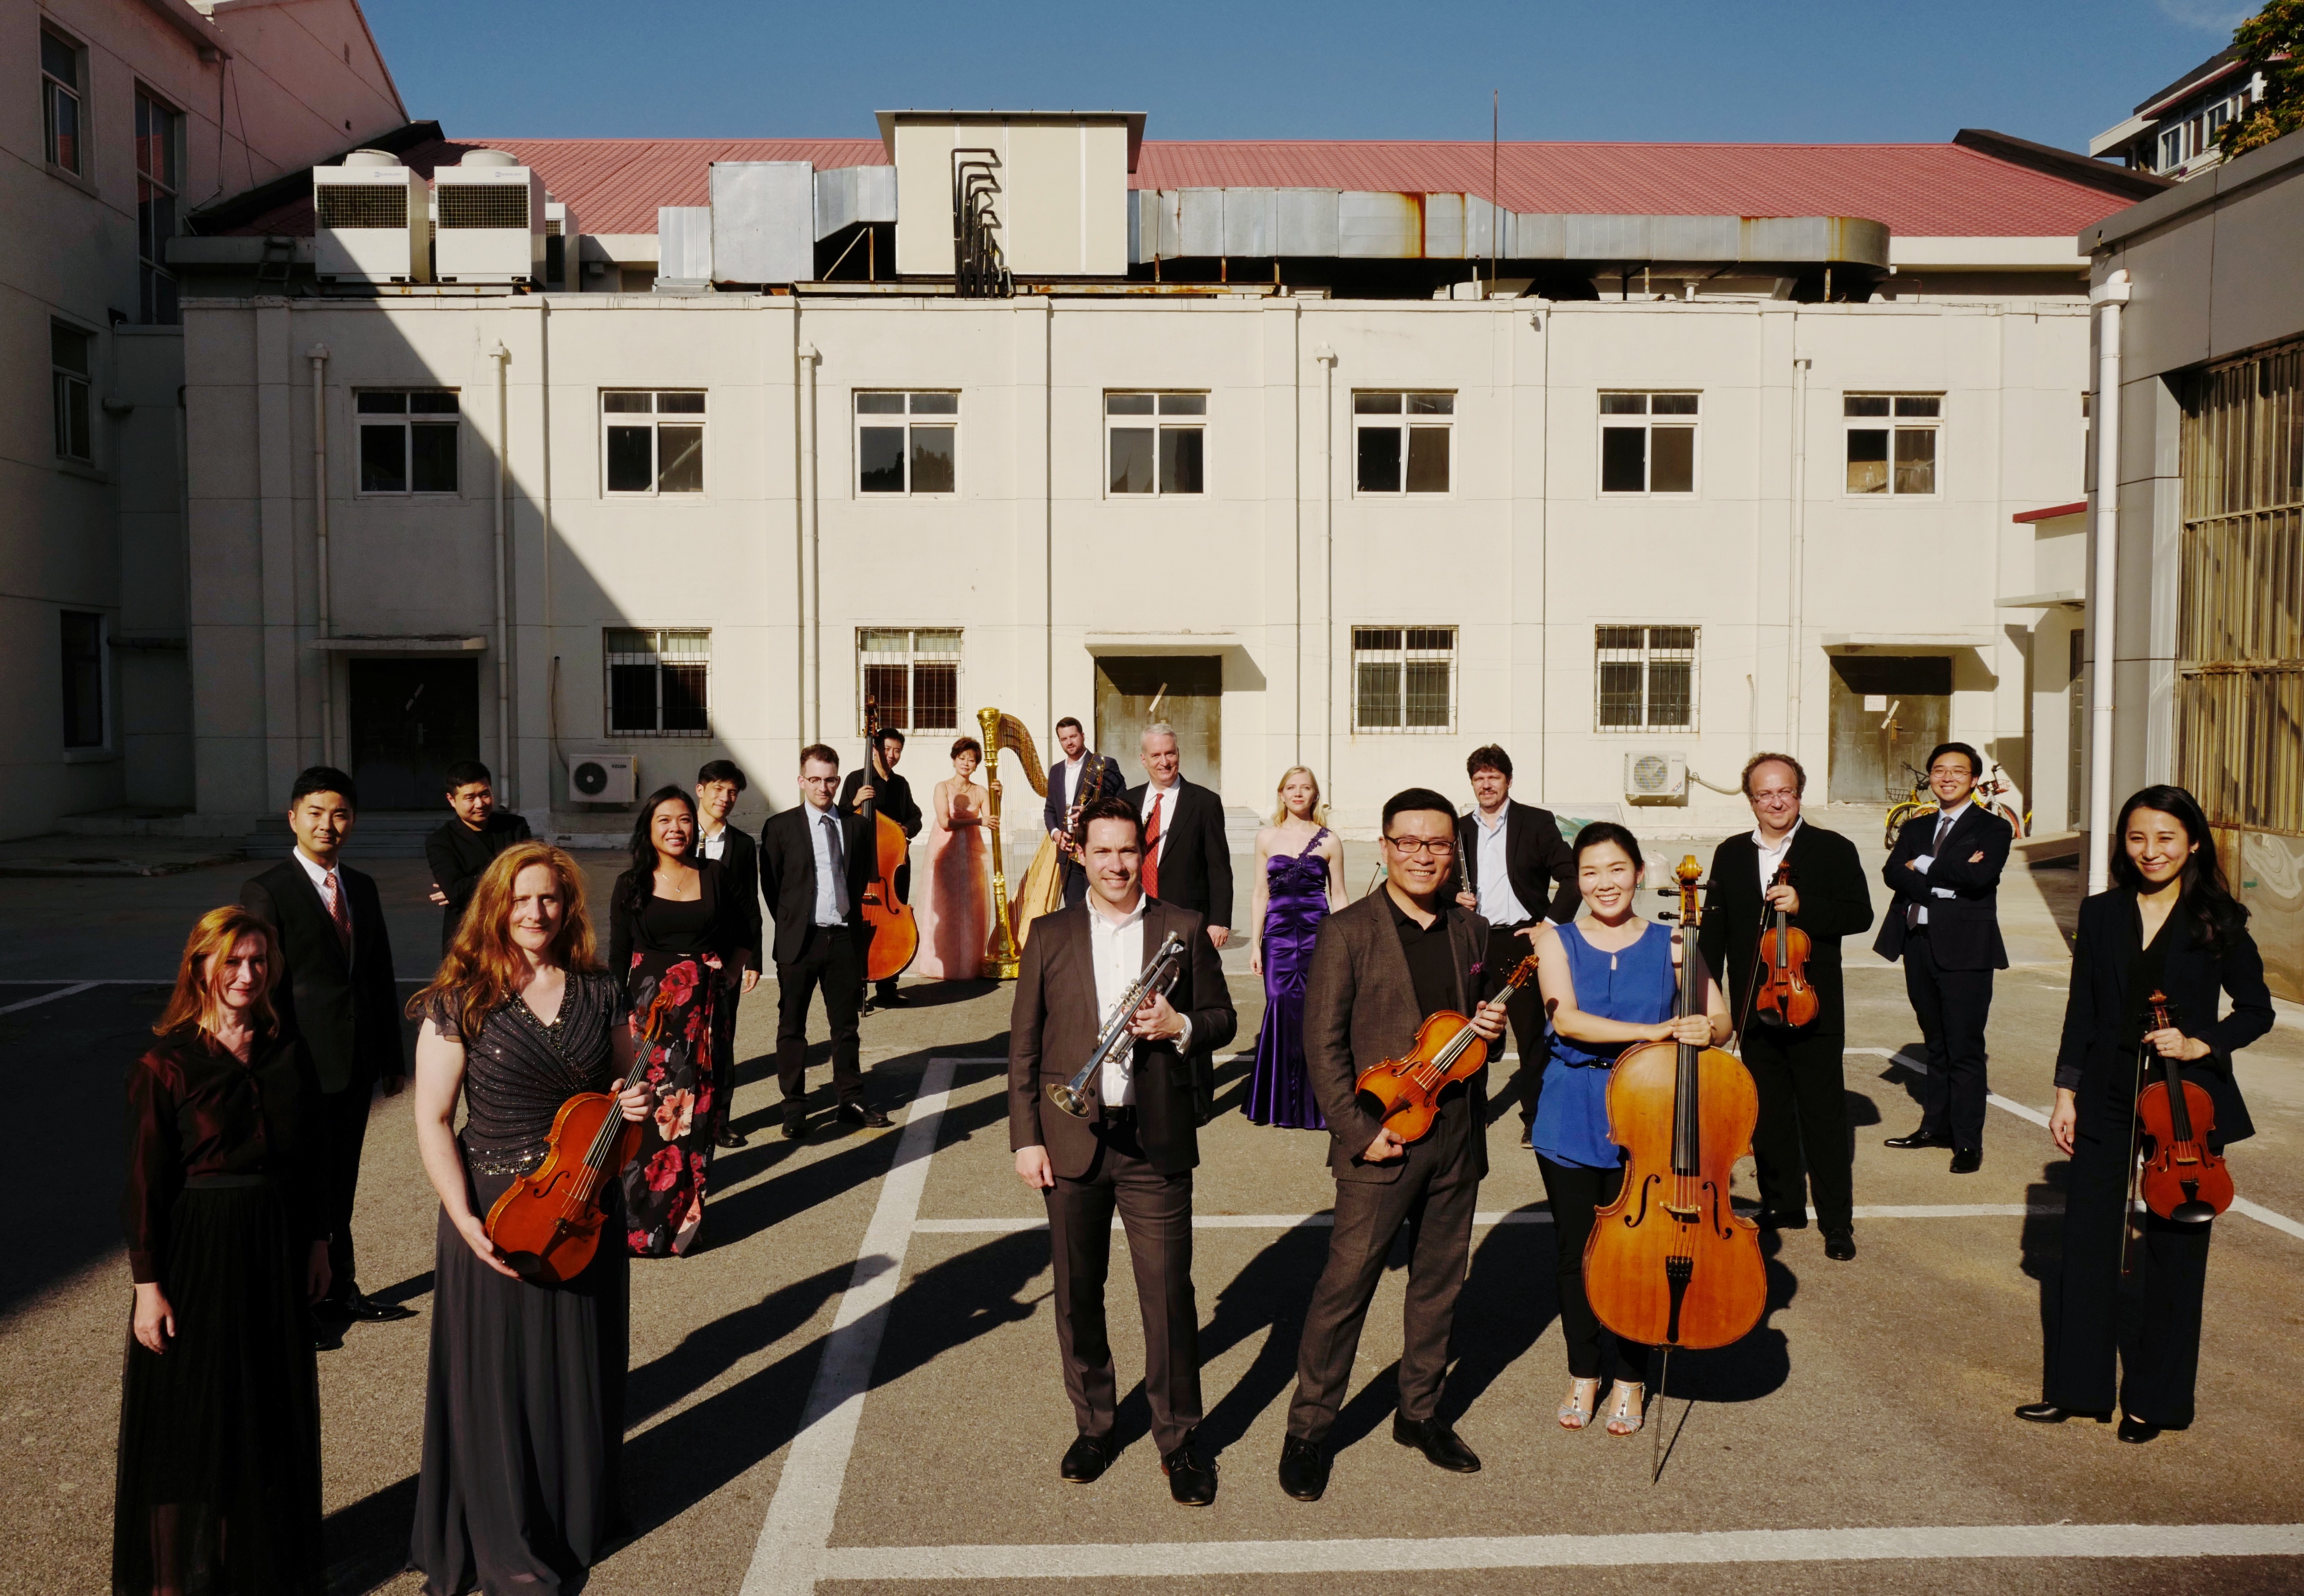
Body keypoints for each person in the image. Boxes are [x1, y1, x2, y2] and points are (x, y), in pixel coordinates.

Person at [408, 843, 654, 1591]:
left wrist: (634, 1102)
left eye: (548, 899)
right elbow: (432, 1117)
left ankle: (575, 1510)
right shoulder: (461, 998)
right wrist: (462, 1216)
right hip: (497, 1211)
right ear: (495, 906)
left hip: (581, 1205)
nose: (535, 913)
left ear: (567, 907)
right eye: (520, 900)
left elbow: (626, 1080)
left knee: (578, 1366)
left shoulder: (598, 989)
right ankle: (506, 1531)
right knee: (501, 1380)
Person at [2019, 786, 2273, 1443]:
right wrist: (2066, 1092)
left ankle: (2155, 1403)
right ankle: (2078, 1392)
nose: (2151, 851)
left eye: (2165, 838)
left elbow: (2256, 1010)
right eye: (2137, 838)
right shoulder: (2102, 913)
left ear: (2192, 843)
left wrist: (2201, 1042)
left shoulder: (2218, 917)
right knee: (2088, 1242)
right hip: (2105, 1089)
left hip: (2184, 1103)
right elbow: (2083, 1009)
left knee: (2175, 1250)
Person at [1279, 788, 1509, 1502]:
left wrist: (1490, 1040)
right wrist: (1357, 1131)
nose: (1422, 856)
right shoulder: (1346, 931)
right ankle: (1310, 1429)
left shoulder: (1470, 933)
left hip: (1454, 1142)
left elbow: (1472, 1044)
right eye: (1407, 843)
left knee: (1439, 1288)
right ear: (1384, 848)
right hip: (1380, 1142)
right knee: (1344, 1289)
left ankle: (1419, 1413)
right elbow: (1321, 1048)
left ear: (1453, 852)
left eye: (1437, 844)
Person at [1009, 795, 1237, 1504]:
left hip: (1154, 1140)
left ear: (1144, 854)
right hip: (1071, 1135)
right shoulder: (1048, 934)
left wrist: (1180, 1025)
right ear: (1082, 854)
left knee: (1168, 1296)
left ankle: (1180, 1438)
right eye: (1102, 850)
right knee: (1078, 1296)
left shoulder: (1183, 928)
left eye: (1127, 850)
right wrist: (1025, 1139)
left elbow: (1223, 1019)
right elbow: (1023, 1046)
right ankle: (1097, 1423)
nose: (1115, 863)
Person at [115, 907, 329, 1595]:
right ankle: (179, 1580)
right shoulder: (165, 1063)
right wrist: (149, 1285)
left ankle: (254, 1569)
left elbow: (309, 1160)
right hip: (197, 1252)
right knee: (190, 1419)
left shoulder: (287, 1051)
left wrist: (320, 1242)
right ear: (200, 966)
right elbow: (146, 1183)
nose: (246, 974)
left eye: (259, 961)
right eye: (232, 961)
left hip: (276, 1243)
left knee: (266, 1407)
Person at [1533, 823, 1731, 1437]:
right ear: (1577, 880)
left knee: (1641, 1255)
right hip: (1573, 1109)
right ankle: (1583, 1372)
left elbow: (1719, 1019)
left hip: (1650, 1114)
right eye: (1590, 873)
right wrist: (1657, 1033)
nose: (1604, 884)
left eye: (1616, 869)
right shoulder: (1554, 939)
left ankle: (1629, 1378)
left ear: (1639, 873)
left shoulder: (1676, 941)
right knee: (1578, 1254)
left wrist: (1706, 1030)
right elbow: (1568, 1022)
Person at [240, 765, 412, 1345]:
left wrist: (392, 1057)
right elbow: (259, 985)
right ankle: (296, 1304)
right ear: (293, 818)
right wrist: (265, 1067)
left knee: (341, 1181)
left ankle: (342, 1288)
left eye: (339, 814)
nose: (327, 825)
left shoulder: (360, 886)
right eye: (315, 813)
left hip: (355, 1063)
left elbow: (378, 972)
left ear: (352, 821)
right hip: (297, 1068)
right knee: (299, 1184)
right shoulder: (269, 890)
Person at [1696, 753, 1875, 1260]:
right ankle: (1783, 1204)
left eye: (1785, 792)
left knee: (1823, 1117)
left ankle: (1837, 1223)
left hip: (1812, 1005)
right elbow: (1715, 929)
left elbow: (1859, 914)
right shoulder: (1730, 853)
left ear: (1800, 793)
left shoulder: (1832, 849)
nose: (1775, 802)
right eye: (1764, 794)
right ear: (1750, 800)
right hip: (1755, 1004)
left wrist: (1805, 907)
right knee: (1767, 1113)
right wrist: (1702, 989)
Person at [609, 787, 744, 1256]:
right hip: (647, 1013)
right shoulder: (630, 883)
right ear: (649, 828)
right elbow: (616, 959)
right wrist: (621, 1012)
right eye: (665, 820)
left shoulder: (716, 876)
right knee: (648, 1115)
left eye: (685, 820)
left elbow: (744, 933)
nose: (676, 829)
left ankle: (684, 1222)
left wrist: (727, 975)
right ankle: (637, 1224)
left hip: (703, 1014)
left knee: (698, 1115)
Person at [1875, 741, 2012, 1173]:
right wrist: (1940, 878)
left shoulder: (1992, 828)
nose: (1947, 777)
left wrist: (1924, 866)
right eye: (1939, 770)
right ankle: (1935, 1126)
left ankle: (1968, 1141)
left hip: (1967, 950)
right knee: (1935, 1043)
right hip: (1918, 944)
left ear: (1974, 780)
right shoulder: (1917, 826)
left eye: (1958, 770)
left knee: (1964, 1047)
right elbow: (1892, 872)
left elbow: (1979, 876)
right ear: (1930, 777)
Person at [1451, 744, 1577, 1148]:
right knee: (1471, 1032)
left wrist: (1550, 926)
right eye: (1479, 778)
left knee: (1530, 1035)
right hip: (1474, 937)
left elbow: (1573, 877)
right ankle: (1471, 1114)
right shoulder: (1457, 829)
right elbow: (1438, 879)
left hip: (1522, 938)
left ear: (1508, 780)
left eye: (1494, 777)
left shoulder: (1536, 822)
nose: (1486, 784)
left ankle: (1534, 1117)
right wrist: (1454, 897)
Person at [761, 745, 889, 1138]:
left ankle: (850, 1098)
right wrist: (794, 924)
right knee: (792, 1027)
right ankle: (795, 1108)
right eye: (814, 779)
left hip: (843, 940)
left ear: (839, 780)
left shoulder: (857, 826)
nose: (823, 787)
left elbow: (861, 880)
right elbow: (772, 886)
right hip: (800, 942)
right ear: (802, 781)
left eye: (830, 779)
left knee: (846, 1026)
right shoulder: (780, 827)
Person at [1244, 766, 1343, 1130]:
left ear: (1316, 795)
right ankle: (1279, 1103)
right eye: (1291, 787)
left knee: (1319, 1014)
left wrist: (1349, 943)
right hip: (1279, 938)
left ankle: (1319, 1104)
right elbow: (1260, 894)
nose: (1299, 793)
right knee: (1280, 1006)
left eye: (1306, 788)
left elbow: (1340, 895)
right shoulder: (1266, 838)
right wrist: (1255, 945)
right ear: (1282, 794)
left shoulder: (1330, 840)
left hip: (1321, 935)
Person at [694, 760, 763, 1149]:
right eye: (718, 789)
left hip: (726, 959)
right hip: (680, 956)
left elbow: (749, 906)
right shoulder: (676, 833)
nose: (725, 798)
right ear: (700, 789)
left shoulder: (740, 844)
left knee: (722, 1040)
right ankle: (683, 1117)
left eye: (733, 792)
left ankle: (720, 1120)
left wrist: (751, 959)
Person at [1125, 722, 1233, 948]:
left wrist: (1219, 921)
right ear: (1144, 760)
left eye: (1170, 753)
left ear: (1178, 755)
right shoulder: (1127, 802)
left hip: (1187, 916)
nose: (1164, 762)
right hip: (1132, 914)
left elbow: (1219, 868)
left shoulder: (1205, 803)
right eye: (1156, 755)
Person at [841, 725, 922, 1009]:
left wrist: (904, 829)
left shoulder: (901, 784)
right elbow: (840, 818)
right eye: (886, 749)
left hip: (892, 866)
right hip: (861, 866)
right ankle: (857, 987)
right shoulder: (855, 779)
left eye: (897, 750)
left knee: (894, 925)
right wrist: (854, 802)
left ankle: (888, 987)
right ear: (874, 749)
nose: (892, 755)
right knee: (857, 924)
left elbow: (917, 817)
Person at [423, 760, 532, 955]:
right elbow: (456, 892)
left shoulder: (515, 827)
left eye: (485, 794)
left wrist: (471, 884)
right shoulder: (440, 841)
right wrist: (512, 877)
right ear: (451, 799)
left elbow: (532, 877)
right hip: (468, 939)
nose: (480, 804)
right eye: (470, 798)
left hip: (516, 932)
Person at [915, 736, 993, 979]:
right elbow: (945, 822)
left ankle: (967, 965)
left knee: (969, 906)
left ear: (977, 764)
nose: (966, 763)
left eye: (971, 759)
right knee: (945, 906)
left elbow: (992, 820)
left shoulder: (981, 791)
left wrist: (996, 794)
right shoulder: (942, 787)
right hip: (946, 850)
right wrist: (977, 820)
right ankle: (940, 965)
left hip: (971, 852)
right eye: (962, 758)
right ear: (953, 759)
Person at [1044, 716, 1124, 907]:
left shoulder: (1105, 764)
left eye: (1073, 736)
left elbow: (1123, 803)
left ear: (1082, 735)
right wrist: (1056, 834)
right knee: (1073, 910)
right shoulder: (1056, 771)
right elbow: (1049, 810)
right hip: (1068, 852)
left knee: (1099, 907)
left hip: (1096, 849)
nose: (1069, 742)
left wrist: (1093, 812)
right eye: (1064, 739)